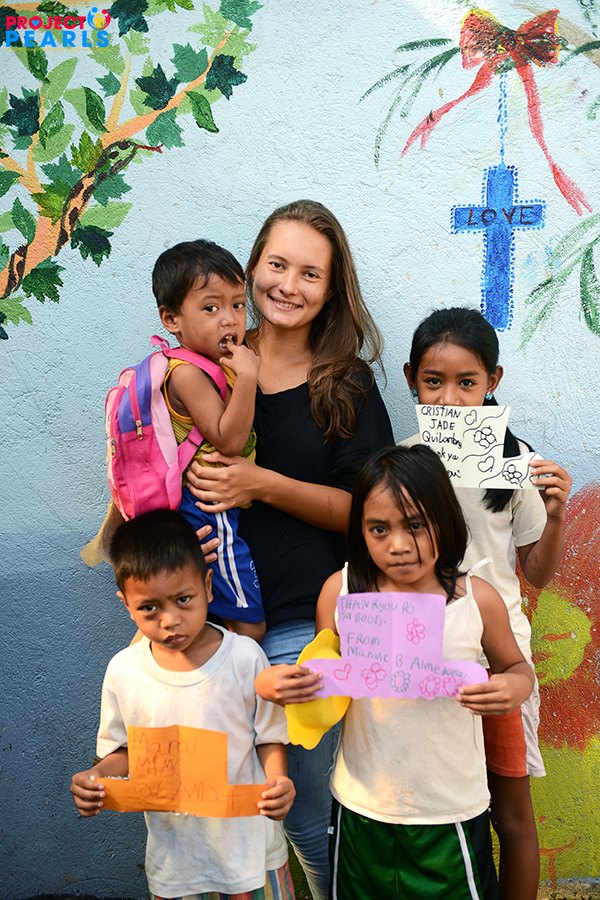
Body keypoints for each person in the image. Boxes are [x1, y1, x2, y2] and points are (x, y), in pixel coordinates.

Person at [186, 200, 394, 899]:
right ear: (252, 268)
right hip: (207, 626)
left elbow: (370, 516)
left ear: (331, 291)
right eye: (277, 264)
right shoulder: (203, 367)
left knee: (305, 809)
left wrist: (261, 484)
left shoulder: (347, 383)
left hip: (307, 623)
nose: (289, 285)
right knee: (225, 809)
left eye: (310, 274)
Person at [276, 444, 534, 899]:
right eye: (379, 529)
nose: (398, 545)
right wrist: (302, 687)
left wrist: (511, 688)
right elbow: (328, 678)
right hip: (361, 806)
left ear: (445, 520)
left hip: (450, 809)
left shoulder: (477, 599)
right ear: (360, 530)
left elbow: (516, 668)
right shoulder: (340, 592)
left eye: (416, 525)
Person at [403, 307, 572, 900]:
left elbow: (536, 573)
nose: (449, 399)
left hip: (500, 659)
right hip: (424, 649)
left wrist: (555, 517)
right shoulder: (403, 463)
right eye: (433, 382)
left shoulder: (516, 464)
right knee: (437, 804)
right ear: (411, 379)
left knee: (511, 814)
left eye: (467, 382)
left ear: (492, 382)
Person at [70, 509, 295, 900]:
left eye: (183, 600)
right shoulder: (124, 671)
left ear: (208, 586)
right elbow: (125, 751)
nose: (170, 620)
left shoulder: (245, 659)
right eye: (150, 608)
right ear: (126, 604)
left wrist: (279, 780)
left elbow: (269, 736)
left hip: (250, 852)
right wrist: (96, 778)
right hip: (176, 862)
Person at [154, 239, 264, 640]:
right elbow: (228, 441)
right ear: (171, 319)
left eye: (238, 305)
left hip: (208, 508)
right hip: (209, 511)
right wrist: (248, 378)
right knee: (251, 625)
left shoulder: (205, 366)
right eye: (211, 308)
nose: (229, 320)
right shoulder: (186, 373)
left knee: (210, 611)